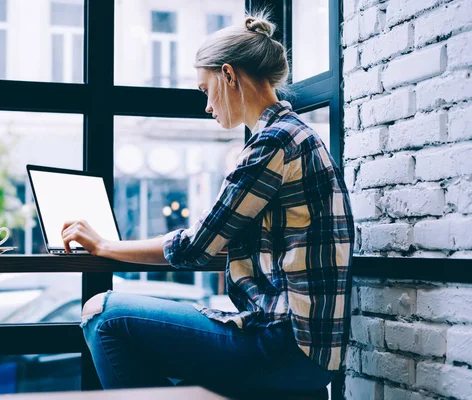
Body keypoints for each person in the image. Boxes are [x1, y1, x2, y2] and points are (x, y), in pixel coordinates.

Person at [61, 12, 355, 398]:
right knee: (180, 381)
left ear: (229, 76)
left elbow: (196, 246)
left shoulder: (273, 143)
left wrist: (103, 246)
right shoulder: (297, 135)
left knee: (102, 314)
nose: (206, 106)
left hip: (286, 342)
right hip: (307, 346)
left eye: (205, 90)